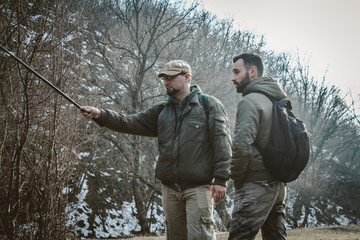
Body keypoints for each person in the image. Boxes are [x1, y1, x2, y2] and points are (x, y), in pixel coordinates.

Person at [81, 60, 232, 240]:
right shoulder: (161, 110)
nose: (166, 81)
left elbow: (223, 144)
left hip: (199, 187)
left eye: (171, 77)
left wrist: (221, 179)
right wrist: (101, 114)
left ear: (187, 77)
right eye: (164, 78)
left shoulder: (209, 105)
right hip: (169, 190)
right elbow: (130, 122)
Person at [228, 53, 287, 240]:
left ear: (252, 72)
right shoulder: (275, 99)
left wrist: (237, 180)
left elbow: (240, 145)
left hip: (256, 186)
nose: (233, 78)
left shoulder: (250, 101)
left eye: (237, 72)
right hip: (278, 186)